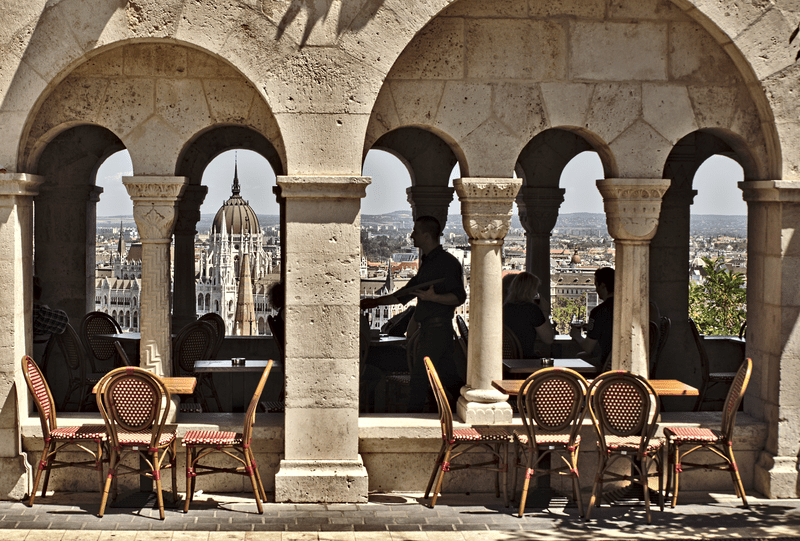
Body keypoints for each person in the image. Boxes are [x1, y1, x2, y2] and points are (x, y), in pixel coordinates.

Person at [361, 216, 466, 413]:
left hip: (435, 330)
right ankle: (464, 410)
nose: (411, 235)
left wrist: (434, 298)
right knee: (450, 379)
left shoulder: (445, 263)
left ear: (426, 235)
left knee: (419, 380)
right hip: (434, 330)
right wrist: (373, 302)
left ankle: (413, 420)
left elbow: (459, 297)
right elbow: (404, 295)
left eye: (415, 232)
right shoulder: (432, 262)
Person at [570, 266, 614, 369]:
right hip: (624, 365)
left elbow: (588, 347)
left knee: (577, 362)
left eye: (596, 286)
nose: (596, 290)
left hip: (606, 365)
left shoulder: (599, 312)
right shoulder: (625, 308)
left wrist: (576, 335)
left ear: (602, 285)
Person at [503, 272, 555, 358]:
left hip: (507, 360)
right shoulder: (532, 309)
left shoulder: (505, 307)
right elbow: (548, 339)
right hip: (523, 360)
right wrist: (545, 311)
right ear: (530, 290)